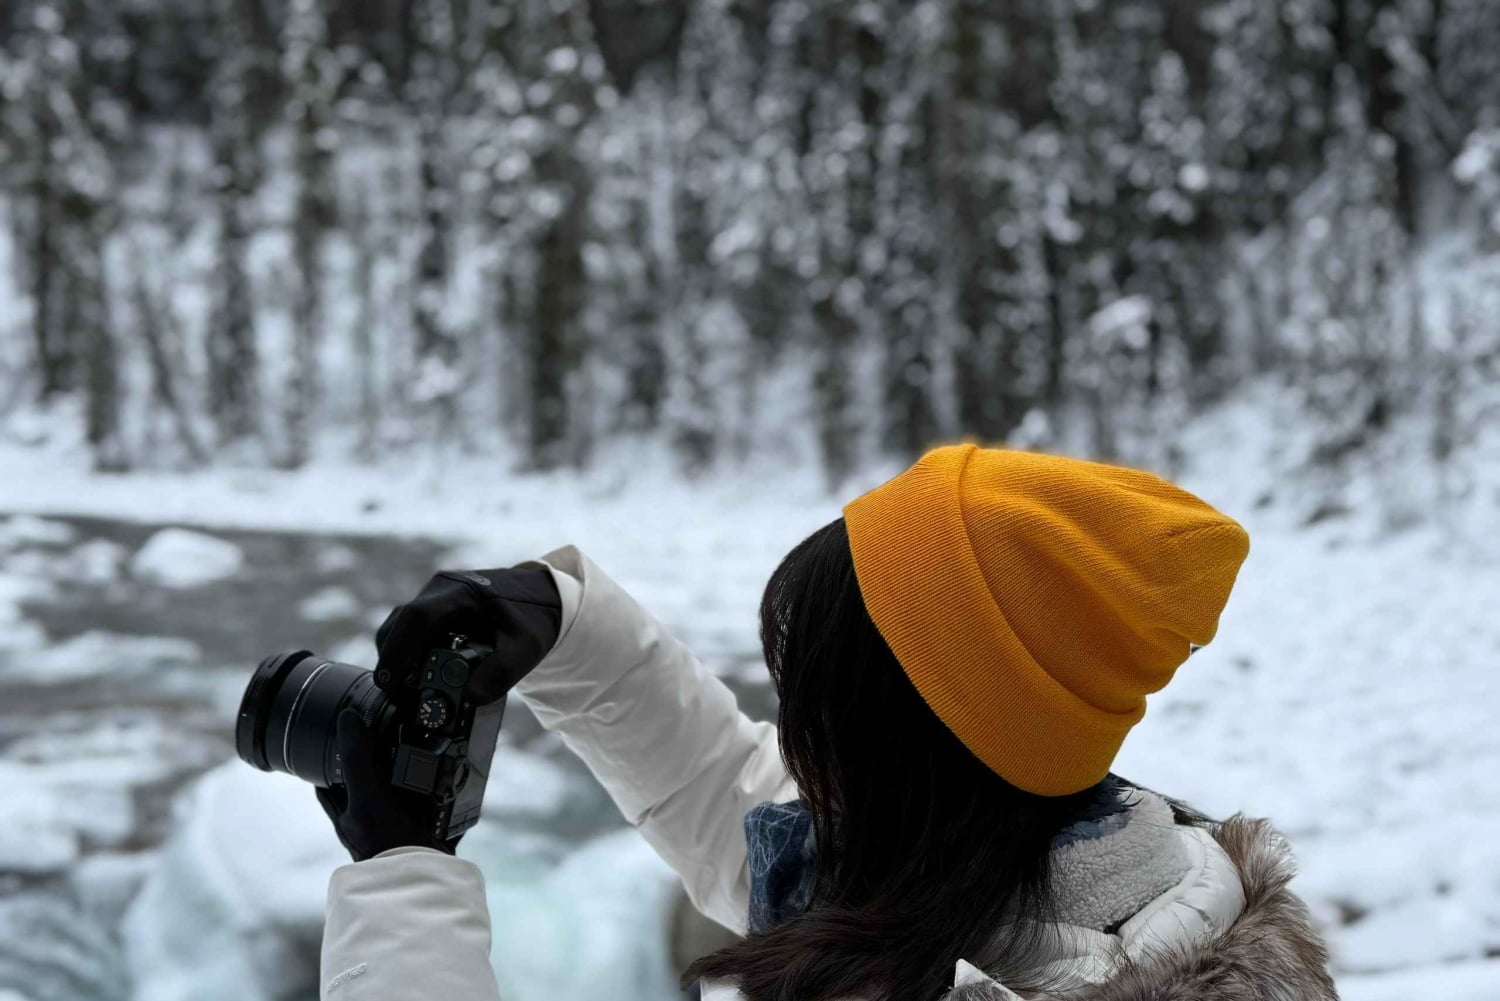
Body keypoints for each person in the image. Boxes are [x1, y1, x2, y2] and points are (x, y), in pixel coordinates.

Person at [315, 445, 1339, 1001]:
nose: (796, 743)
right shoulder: (1079, 856)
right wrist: (568, 630)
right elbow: (750, 808)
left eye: (812, 705)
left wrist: (402, 870)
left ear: (907, 751)